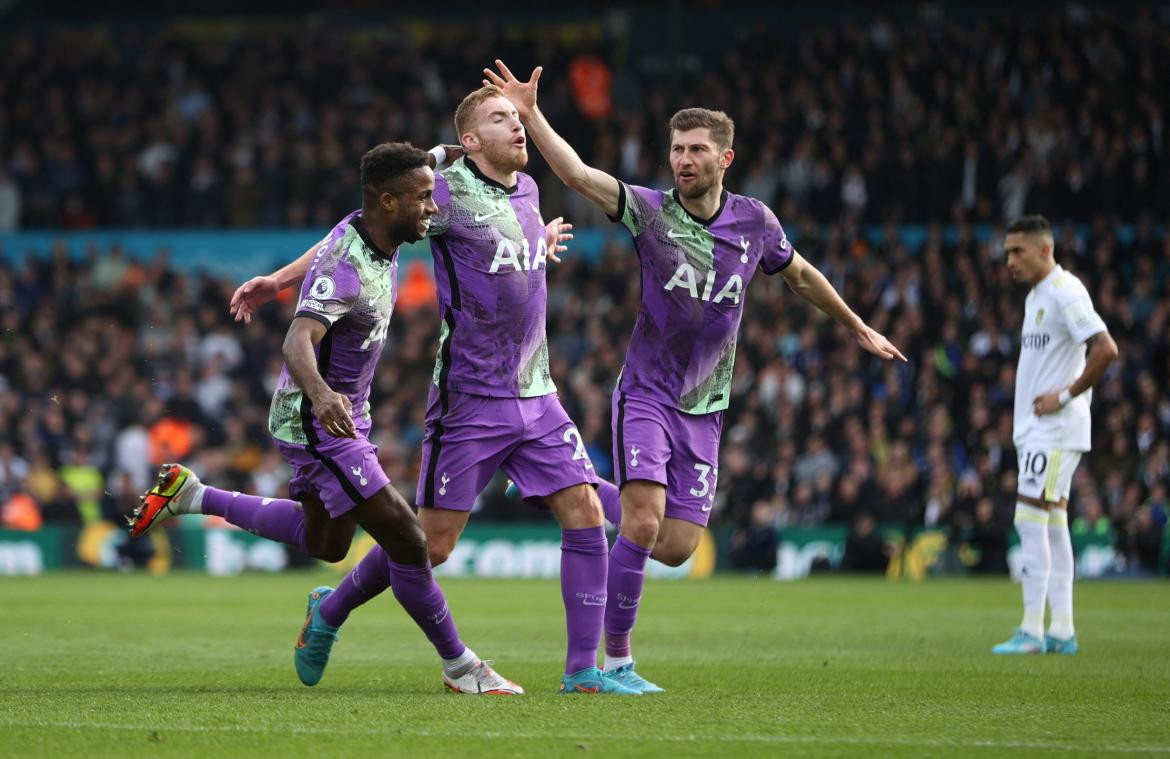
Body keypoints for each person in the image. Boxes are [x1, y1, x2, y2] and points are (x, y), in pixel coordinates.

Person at [484, 59, 906, 691]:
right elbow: (575, 174)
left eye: (697, 150)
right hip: (647, 394)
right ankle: (615, 662)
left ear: (724, 158)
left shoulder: (755, 224)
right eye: (677, 149)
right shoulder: (650, 212)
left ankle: (557, 485)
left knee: (676, 545)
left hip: (705, 407)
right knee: (645, 521)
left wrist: (855, 325)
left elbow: (800, 276)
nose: (683, 159)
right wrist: (530, 111)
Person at [225, 86, 636, 695]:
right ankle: (330, 610)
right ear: (469, 140)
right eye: (502, 119)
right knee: (430, 547)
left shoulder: (526, 189)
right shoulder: (442, 193)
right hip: (471, 401)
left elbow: (507, 251)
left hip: (537, 390)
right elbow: (356, 230)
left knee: (586, 511)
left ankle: (583, 672)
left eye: (519, 118)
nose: (518, 128)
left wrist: (535, 245)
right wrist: (284, 281)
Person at [129, 142, 522, 695]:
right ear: (389, 202)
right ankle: (461, 667)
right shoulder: (348, 268)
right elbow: (297, 339)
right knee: (409, 541)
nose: (433, 208)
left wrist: (278, 278)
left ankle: (194, 496)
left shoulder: (366, 224)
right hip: (320, 422)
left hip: (340, 415)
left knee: (329, 543)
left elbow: (344, 229)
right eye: (423, 199)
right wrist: (321, 395)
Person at [993, 214, 1117, 655]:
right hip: (1040, 430)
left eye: (1018, 251)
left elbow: (1105, 349)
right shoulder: (1036, 296)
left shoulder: (1066, 291)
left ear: (1045, 250)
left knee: (1028, 520)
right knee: (1053, 521)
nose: (1009, 260)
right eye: (1007, 252)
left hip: (1054, 429)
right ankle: (1062, 629)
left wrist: (1064, 397)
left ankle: (1032, 629)